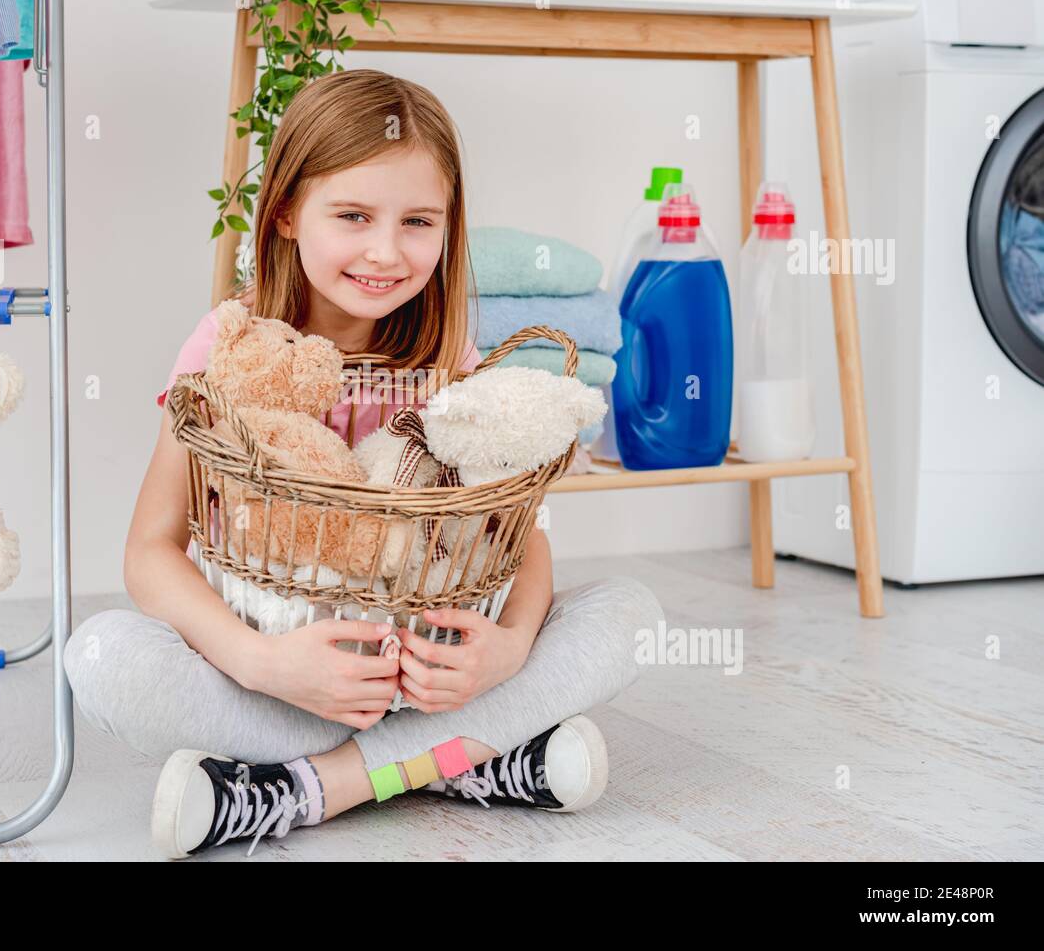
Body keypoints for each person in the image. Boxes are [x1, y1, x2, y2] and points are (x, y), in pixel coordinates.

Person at [65, 68, 663, 858]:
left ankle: (311, 788)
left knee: (633, 614)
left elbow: (519, 537)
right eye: (352, 215)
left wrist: (508, 650)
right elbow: (149, 551)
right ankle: (465, 761)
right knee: (101, 655)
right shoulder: (231, 347)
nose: (387, 251)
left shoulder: (450, 356)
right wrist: (265, 662)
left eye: (419, 220)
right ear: (284, 213)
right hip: (285, 682)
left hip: (430, 679)